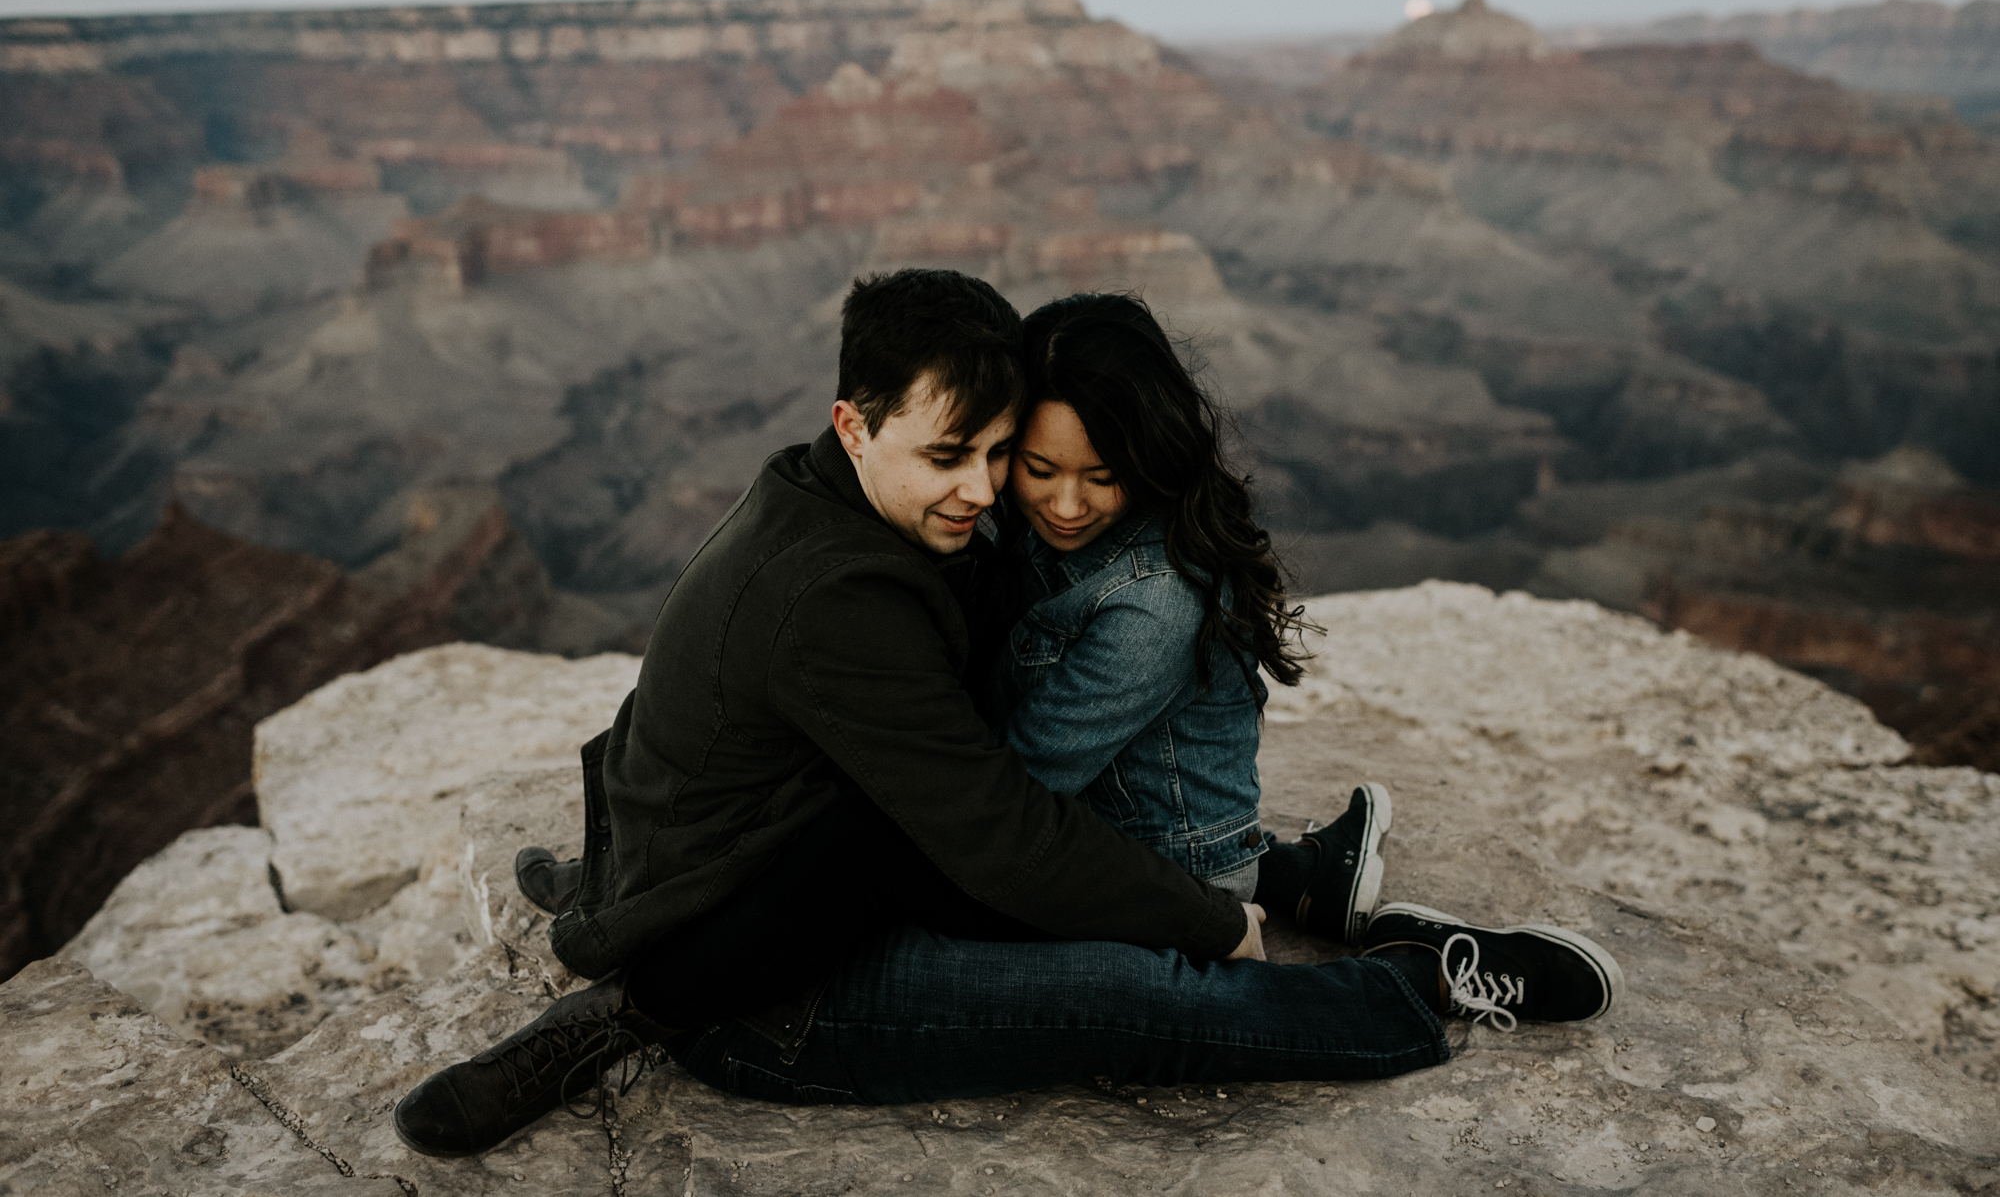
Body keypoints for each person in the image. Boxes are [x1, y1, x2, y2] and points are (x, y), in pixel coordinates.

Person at [393, 269, 1623, 1157]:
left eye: (999, 454)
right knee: (1152, 1004)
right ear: (854, 425)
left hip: (830, 870)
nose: (987, 494)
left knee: (1095, 897)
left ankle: (1299, 882)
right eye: (954, 458)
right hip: (770, 996)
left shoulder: (833, 502)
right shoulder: (836, 598)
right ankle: (1428, 987)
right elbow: (993, 827)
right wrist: (1208, 920)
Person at [991, 292, 1388, 942]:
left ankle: (1410, 964)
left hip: (1174, 887)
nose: (1065, 503)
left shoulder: (1156, 599)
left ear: (1150, 450)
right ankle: (1306, 875)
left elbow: (1023, 785)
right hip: (1099, 830)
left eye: (1102, 474)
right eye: (1039, 469)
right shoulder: (1023, 522)